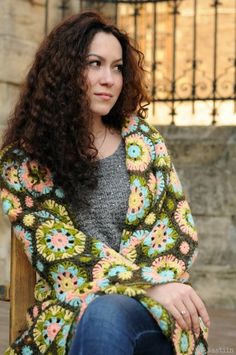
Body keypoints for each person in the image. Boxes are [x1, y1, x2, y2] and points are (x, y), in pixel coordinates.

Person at [0, 11, 210, 355]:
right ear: (63, 71)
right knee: (102, 314)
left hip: (154, 316)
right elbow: (60, 253)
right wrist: (143, 282)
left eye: (117, 68)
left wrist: (151, 288)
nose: (109, 78)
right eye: (94, 63)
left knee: (109, 313)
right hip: (70, 315)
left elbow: (177, 231)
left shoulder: (145, 142)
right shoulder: (24, 164)